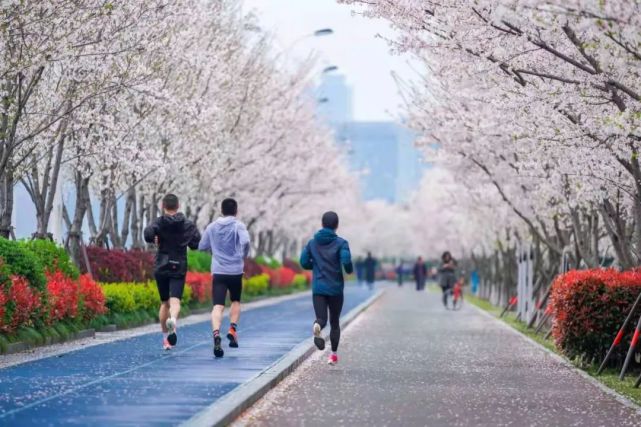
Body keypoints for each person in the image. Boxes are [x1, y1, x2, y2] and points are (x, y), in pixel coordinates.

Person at [144, 194, 201, 351]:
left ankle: (165, 340)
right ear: (178, 205)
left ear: (163, 206)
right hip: (178, 265)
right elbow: (196, 243)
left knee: (164, 303)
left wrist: (155, 237)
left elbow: (148, 234)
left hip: (161, 266)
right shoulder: (187, 224)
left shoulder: (159, 222)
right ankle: (173, 321)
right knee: (175, 301)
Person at [198, 198, 250, 358]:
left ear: (221, 210)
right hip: (235, 271)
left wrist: (215, 249)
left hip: (219, 271)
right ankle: (232, 329)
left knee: (218, 306)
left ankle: (216, 334)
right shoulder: (238, 225)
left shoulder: (212, 227)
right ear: (236, 211)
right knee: (235, 301)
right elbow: (246, 241)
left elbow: (202, 246)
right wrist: (243, 255)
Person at [300, 211, 353, 366]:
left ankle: (317, 326)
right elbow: (346, 260)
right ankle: (333, 355)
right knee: (334, 322)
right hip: (335, 288)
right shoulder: (342, 243)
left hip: (318, 288)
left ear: (322, 224)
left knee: (322, 318)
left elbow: (303, 262)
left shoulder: (312, 243)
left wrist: (315, 266)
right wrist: (348, 269)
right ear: (337, 226)